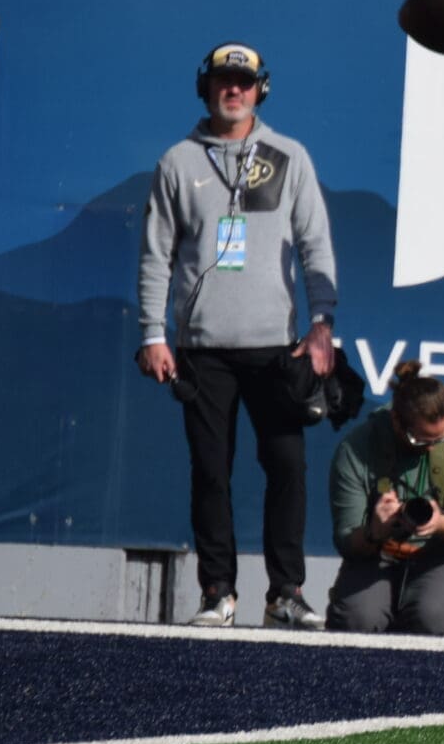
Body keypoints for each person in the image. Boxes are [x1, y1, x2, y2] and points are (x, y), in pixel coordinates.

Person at [135, 43, 339, 631]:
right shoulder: (177, 160)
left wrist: (321, 323)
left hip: (277, 346)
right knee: (210, 470)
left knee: (288, 467)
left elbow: (315, 244)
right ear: (206, 88)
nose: (235, 90)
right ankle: (218, 592)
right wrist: (153, 332)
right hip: (201, 350)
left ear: (261, 90)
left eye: (245, 82)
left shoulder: (287, 156)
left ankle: (286, 593)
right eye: (224, 80)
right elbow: (156, 256)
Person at [326, 361, 444, 635]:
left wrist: (440, 523)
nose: (433, 446)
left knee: (431, 618)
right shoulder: (356, 449)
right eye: (422, 441)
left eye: (442, 436)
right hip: (375, 554)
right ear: (396, 422)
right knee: (357, 620)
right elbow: (345, 539)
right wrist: (375, 531)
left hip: (439, 553)